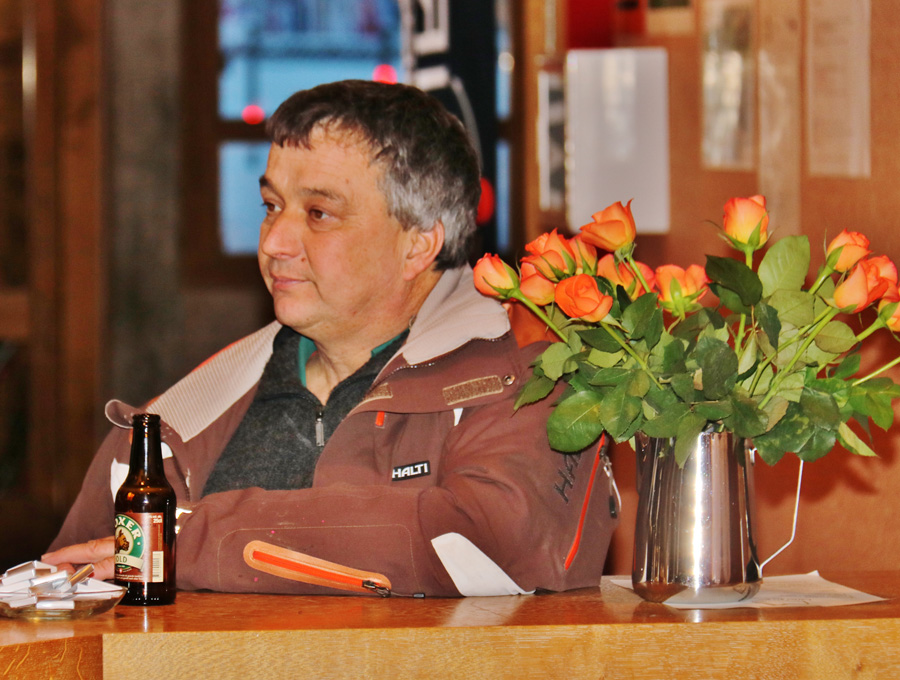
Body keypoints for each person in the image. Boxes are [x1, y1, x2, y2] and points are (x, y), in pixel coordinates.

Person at [43, 80, 618, 596]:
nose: (274, 242)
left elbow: (494, 545)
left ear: (419, 243)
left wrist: (198, 538)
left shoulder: (528, 372)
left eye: (319, 213)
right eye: (271, 206)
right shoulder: (176, 421)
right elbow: (64, 602)